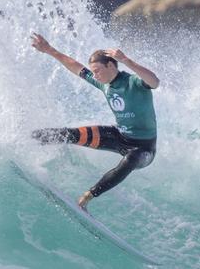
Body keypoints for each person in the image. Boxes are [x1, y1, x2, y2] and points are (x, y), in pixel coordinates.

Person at [30, 33, 159, 211]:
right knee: (71, 134)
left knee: (130, 159)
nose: (95, 75)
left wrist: (126, 60)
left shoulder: (133, 82)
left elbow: (155, 81)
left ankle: (87, 198)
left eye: (98, 70)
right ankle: (29, 139)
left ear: (111, 65)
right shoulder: (104, 84)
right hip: (119, 137)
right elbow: (76, 67)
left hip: (144, 149)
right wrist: (49, 50)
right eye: (94, 71)